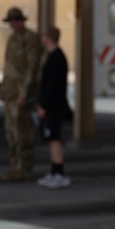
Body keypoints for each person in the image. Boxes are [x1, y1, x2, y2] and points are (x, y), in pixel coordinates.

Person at [0, 6, 41, 182]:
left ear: (22, 21)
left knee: (22, 131)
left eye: (16, 21)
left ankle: (24, 168)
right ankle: (16, 166)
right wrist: (3, 89)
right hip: (11, 92)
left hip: (22, 94)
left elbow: (32, 69)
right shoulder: (12, 39)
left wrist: (24, 93)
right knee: (11, 132)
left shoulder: (30, 39)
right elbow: (8, 67)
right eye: (11, 22)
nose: (13, 24)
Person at [36, 26, 71, 189]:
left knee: (54, 139)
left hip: (54, 106)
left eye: (43, 35)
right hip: (52, 105)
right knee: (51, 139)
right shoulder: (52, 56)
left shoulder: (57, 58)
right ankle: (54, 170)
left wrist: (44, 105)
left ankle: (59, 173)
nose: (41, 38)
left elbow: (52, 85)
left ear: (48, 37)